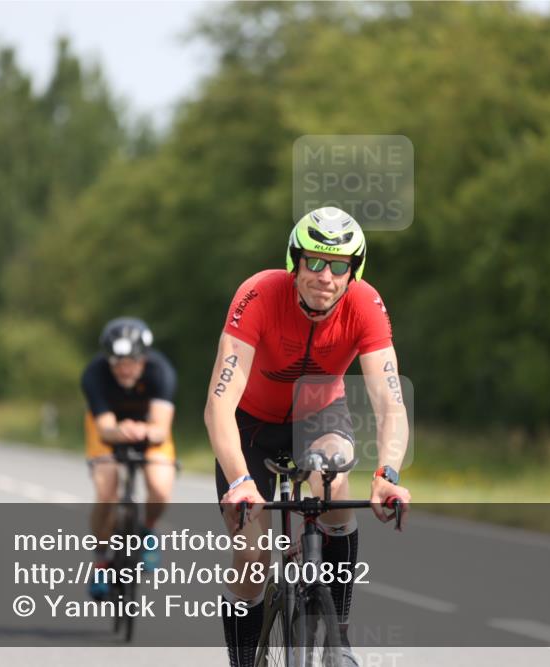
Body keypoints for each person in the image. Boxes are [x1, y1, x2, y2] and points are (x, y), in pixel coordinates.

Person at [205, 207, 412, 667]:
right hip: (251, 425)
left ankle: (337, 639)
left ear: (353, 271)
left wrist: (388, 472)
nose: (326, 275)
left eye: (339, 265)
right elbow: (218, 403)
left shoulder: (366, 305)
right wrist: (240, 482)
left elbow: (389, 401)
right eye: (314, 261)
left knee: (335, 480)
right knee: (252, 555)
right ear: (294, 262)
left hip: (318, 416)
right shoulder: (258, 294)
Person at [81, 317, 178, 599]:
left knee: (159, 489)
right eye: (117, 362)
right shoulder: (94, 374)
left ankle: (147, 531)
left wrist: (141, 431)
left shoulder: (161, 372)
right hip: (109, 431)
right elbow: (105, 429)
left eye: (132, 362)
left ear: (144, 358)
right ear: (108, 360)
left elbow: (160, 431)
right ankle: (101, 560)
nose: (124, 369)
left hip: (149, 428)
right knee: (106, 490)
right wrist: (120, 431)